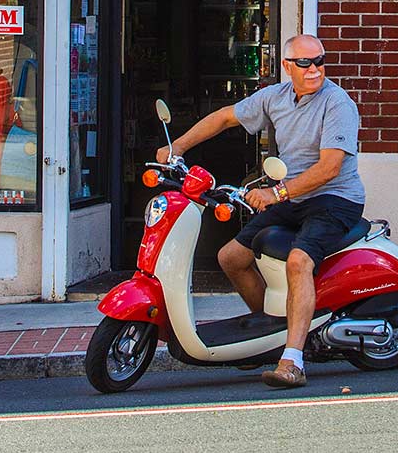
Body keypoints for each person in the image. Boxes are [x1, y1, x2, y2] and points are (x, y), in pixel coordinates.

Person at [154, 33, 364, 389]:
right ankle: (272, 333)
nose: (314, 69)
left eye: (320, 61)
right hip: (291, 198)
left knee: (300, 260)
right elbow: (224, 118)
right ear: (287, 66)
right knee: (231, 257)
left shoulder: (337, 104)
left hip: (335, 199)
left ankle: (293, 360)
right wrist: (176, 148)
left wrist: (276, 192)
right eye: (305, 63)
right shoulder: (276, 97)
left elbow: (330, 168)